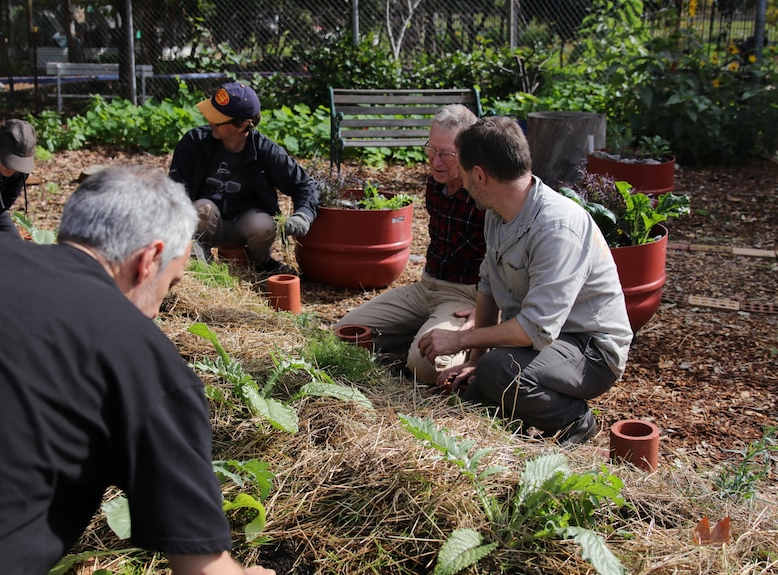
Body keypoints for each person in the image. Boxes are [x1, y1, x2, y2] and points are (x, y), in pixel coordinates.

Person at [0, 166, 274, 575]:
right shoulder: (142, 358)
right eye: (169, 285)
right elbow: (202, 569)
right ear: (148, 260)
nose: (157, 311)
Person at [417, 116, 633, 446]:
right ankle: (520, 408)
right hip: (546, 342)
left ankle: (574, 419)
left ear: (479, 175)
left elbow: (535, 329)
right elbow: (487, 286)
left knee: (498, 370)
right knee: (473, 394)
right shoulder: (497, 213)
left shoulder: (557, 228)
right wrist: (473, 360)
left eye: (461, 168)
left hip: (591, 351)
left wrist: (460, 341)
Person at [333, 104, 486, 383]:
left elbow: (507, 261)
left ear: (469, 153)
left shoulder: (484, 195)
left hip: (464, 297)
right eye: (431, 150)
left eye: (447, 154)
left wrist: (485, 309)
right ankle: (420, 338)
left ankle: (428, 346)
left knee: (426, 366)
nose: (436, 162)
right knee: (346, 334)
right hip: (425, 286)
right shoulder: (435, 184)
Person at [169, 82, 319, 275]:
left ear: (243, 125)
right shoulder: (194, 142)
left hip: (246, 226)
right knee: (203, 209)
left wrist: (303, 215)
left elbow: (305, 185)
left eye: (218, 119)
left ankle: (261, 263)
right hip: (208, 225)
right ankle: (200, 264)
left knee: (264, 225)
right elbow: (174, 191)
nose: (210, 122)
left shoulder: (265, 151)